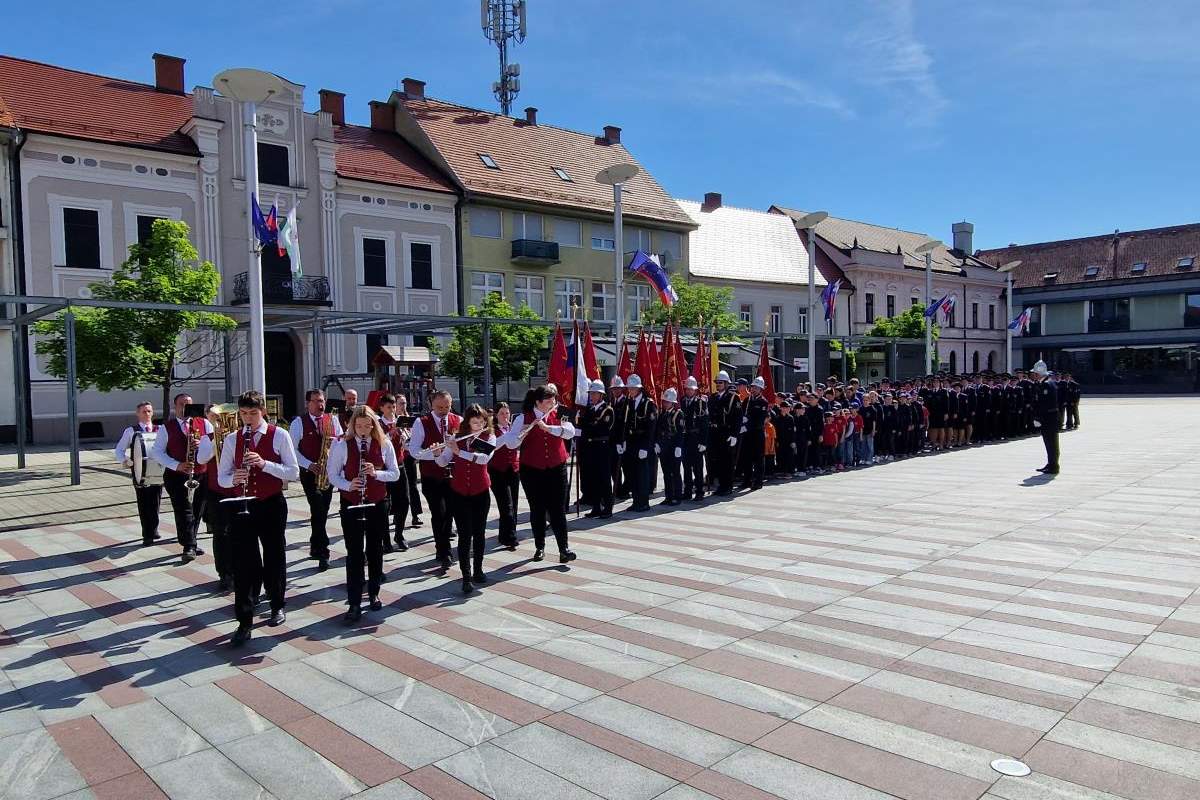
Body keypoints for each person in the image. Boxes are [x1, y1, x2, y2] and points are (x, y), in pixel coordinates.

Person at [205, 390, 300, 646]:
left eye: (253, 413)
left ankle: (277, 604)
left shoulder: (279, 435)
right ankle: (244, 621)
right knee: (244, 563)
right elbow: (222, 477)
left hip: (271, 503)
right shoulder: (233, 439)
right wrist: (233, 478)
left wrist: (264, 463)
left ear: (263, 412)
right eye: (244, 414)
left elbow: (293, 472)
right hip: (241, 505)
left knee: (274, 555)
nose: (249, 419)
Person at [327, 405, 399, 622]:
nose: (363, 430)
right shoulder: (341, 444)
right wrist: (349, 485)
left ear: (373, 425)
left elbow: (394, 473)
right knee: (355, 552)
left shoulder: (384, 443)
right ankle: (354, 601)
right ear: (353, 426)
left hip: (377, 502)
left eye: (367, 425)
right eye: (359, 426)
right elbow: (332, 475)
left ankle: (374, 591)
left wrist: (376, 473)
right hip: (352, 502)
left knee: (375, 549)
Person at [499, 385, 577, 563]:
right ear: (538, 402)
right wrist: (523, 433)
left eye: (553, 399)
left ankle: (564, 549)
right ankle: (539, 547)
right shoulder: (522, 418)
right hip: (532, 470)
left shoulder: (559, 413)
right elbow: (510, 444)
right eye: (549, 400)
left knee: (558, 509)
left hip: (557, 467)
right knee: (538, 509)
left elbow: (571, 431)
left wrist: (549, 428)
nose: (553, 402)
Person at [439, 404, 496, 594]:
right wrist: (437, 453)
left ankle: (478, 570)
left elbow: (483, 459)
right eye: (474, 422)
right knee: (465, 534)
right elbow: (443, 462)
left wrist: (459, 452)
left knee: (479, 533)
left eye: (481, 422)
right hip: (459, 492)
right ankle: (465, 576)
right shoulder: (457, 438)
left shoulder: (490, 437)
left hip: (480, 492)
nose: (478, 426)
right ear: (467, 423)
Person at [151, 393, 212, 563]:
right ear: (175, 406)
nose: (185, 407)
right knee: (184, 510)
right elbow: (156, 452)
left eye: (189, 404)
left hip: (201, 473)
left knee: (198, 509)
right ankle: (189, 546)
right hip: (176, 475)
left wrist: (203, 444)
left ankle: (189, 539)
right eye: (182, 404)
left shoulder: (204, 423)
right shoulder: (167, 428)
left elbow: (215, 445)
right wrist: (176, 464)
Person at [289, 389, 344, 571]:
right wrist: (309, 464)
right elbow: (293, 450)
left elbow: (341, 442)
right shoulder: (298, 423)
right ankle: (323, 551)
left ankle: (315, 543)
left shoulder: (333, 419)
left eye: (322, 401)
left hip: (328, 472)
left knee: (322, 510)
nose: (320, 405)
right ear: (307, 403)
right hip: (309, 472)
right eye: (315, 401)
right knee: (318, 507)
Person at [410, 390, 460, 569]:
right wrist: (436, 455)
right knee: (438, 513)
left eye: (447, 406)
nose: (444, 410)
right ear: (431, 404)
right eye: (439, 407)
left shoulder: (457, 420)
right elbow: (414, 451)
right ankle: (444, 550)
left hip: (453, 476)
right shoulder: (421, 422)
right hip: (432, 476)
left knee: (450, 513)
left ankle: (443, 547)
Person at [114, 401, 162, 546]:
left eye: (149, 411)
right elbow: (119, 449)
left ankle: (153, 529)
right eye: (144, 411)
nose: (147, 414)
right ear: (138, 414)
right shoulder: (131, 431)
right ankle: (147, 534)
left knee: (156, 501)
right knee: (143, 502)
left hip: (156, 471)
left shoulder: (159, 429)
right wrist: (125, 460)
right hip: (139, 471)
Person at [204, 404, 234, 591]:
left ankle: (238, 569)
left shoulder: (238, 437)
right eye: (218, 418)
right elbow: (200, 460)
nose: (222, 422)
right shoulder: (209, 438)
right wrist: (216, 439)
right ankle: (224, 573)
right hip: (216, 491)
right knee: (220, 533)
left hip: (237, 491)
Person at [377, 394, 411, 552]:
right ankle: (385, 540)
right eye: (389, 407)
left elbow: (408, 444)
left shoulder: (400, 422)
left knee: (404, 502)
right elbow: (379, 443)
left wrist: (406, 437)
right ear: (382, 408)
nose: (392, 410)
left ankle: (399, 534)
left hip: (399, 465)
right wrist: (392, 432)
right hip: (383, 469)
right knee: (384, 505)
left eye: (393, 407)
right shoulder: (377, 424)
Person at [578, 381, 614, 519]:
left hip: (602, 448)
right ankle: (596, 507)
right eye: (590, 393)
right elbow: (586, 425)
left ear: (601, 395)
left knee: (604, 479)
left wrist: (584, 428)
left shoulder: (607, 410)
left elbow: (599, 429)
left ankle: (608, 508)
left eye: (594, 393)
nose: (591, 396)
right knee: (594, 479)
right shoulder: (591, 409)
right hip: (591, 448)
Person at [621, 375, 657, 512]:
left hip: (642, 442)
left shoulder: (648, 403)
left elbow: (651, 427)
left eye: (633, 388)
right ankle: (636, 501)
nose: (630, 390)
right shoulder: (629, 402)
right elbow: (624, 423)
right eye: (629, 388)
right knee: (632, 473)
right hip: (631, 442)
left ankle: (643, 502)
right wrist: (623, 441)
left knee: (642, 474)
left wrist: (646, 447)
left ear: (639, 388)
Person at [489, 402, 521, 548]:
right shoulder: (491, 430)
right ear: (496, 415)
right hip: (497, 470)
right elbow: (493, 446)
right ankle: (510, 538)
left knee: (513, 503)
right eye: (502, 413)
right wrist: (509, 436)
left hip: (513, 469)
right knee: (505, 504)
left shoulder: (513, 428)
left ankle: (505, 534)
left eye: (507, 413)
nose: (505, 416)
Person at [392, 394, 423, 528]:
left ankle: (416, 514)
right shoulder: (391, 419)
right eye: (400, 403)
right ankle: (396, 514)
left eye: (404, 403)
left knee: (412, 485)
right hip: (397, 456)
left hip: (409, 456)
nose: (403, 406)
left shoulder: (410, 419)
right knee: (397, 488)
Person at [709, 371, 742, 495]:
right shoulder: (713, 397)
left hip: (727, 433)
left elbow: (738, 418)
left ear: (726, 383)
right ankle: (720, 486)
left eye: (720, 383)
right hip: (715, 433)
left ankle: (727, 487)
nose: (718, 385)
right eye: (717, 382)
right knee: (717, 461)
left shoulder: (734, 397)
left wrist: (734, 434)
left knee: (727, 462)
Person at [738, 376, 769, 491]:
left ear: (761, 389)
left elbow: (760, 420)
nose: (753, 389)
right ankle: (747, 480)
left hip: (757, 433)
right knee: (746, 458)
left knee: (758, 459)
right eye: (753, 387)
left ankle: (758, 481)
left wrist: (748, 423)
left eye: (756, 388)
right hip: (747, 434)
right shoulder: (747, 400)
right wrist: (742, 422)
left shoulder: (763, 402)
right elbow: (742, 413)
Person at [680, 376, 708, 500]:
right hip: (685, 438)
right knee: (686, 466)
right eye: (687, 389)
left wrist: (703, 442)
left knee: (697, 467)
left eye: (691, 389)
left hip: (696, 438)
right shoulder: (682, 402)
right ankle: (687, 490)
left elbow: (705, 424)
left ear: (695, 390)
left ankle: (699, 491)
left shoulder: (701, 403)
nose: (689, 391)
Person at [656, 387, 684, 506]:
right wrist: (657, 443)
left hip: (674, 447)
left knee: (675, 472)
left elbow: (681, 431)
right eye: (664, 401)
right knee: (666, 473)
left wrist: (679, 446)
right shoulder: (662, 414)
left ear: (673, 402)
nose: (665, 403)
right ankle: (668, 496)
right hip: (664, 447)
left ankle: (677, 496)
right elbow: (658, 430)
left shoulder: (678, 414)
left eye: (667, 401)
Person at [1032, 361, 1060, 474]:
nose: (1034, 375)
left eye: (1035, 373)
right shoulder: (1049, 382)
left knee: (1051, 443)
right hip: (1050, 417)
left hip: (1048, 418)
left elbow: (1044, 404)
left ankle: (1053, 466)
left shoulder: (1046, 384)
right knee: (1050, 442)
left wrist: (1038, 417)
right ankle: (1051, 463)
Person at [608, 376, 629, 500]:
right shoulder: (611, 402)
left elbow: (625, 423)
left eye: (618, 388)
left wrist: (623, 441)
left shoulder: (626, 402)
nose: (615, 391)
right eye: (614, 389)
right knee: (614, 467)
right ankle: (617, 488)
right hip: (613, 440)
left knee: (625, 467)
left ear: (622, 389)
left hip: (622, 440)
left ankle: (624, 490)